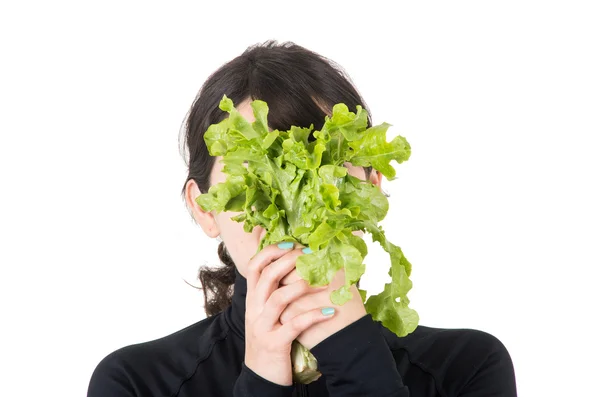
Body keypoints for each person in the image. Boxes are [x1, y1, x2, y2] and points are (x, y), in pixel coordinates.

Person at [87, 40, 517, 396]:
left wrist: (353, 350)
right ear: (205, 209)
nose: (291, 208)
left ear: (371, 186)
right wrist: (261, 381)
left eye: (323, 168)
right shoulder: (135, 383)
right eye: (252, 177)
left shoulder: (468, 369)